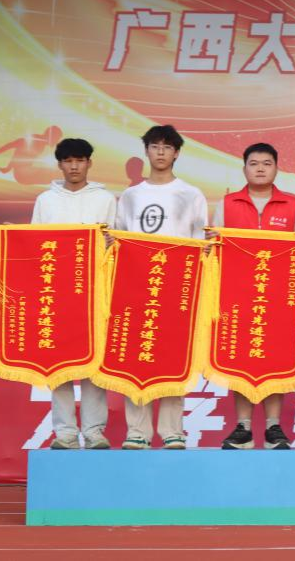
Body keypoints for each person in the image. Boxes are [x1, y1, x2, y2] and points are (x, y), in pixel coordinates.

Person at [114, 125, 208, 450]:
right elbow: (120, 240)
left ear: (177, 153)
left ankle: (172, 430)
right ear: (146, 151)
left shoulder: (191, 194)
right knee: (135, 356)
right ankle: (137, 431)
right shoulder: (131, 196)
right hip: (135, 288)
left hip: (176, 289)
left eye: (167, 147)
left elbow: (200, 246)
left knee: (172, 356)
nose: (161, 152)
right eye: (155, 146)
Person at [213, 143, 295, 450]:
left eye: (266, 163)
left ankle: (273, 427)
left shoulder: (292, 206)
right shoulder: (227, 204)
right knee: (240, 359)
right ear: (244, 168)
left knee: (276, 359)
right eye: (253, 163)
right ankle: (242, 428)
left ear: (276, 169)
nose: (259, 169)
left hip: (280, 299)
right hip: (237, 297)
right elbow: (214, 251)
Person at [31, 137, 117, 450]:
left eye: (80, 160)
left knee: (93, 363)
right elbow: (34, 245)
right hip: (56, 292)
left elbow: (117, 242)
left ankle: (94, 431)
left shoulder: (105, 199)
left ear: (89, 163)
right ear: (59, 164)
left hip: (95, 292)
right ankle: (65, 432)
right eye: (68, 161)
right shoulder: (46, 200)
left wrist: (110, 244)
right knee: (60, 363)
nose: (74, 166)